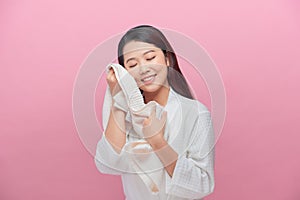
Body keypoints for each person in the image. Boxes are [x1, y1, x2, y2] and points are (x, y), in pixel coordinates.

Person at [94, 25, 215, 200]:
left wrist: (157, 141)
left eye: (150, 58)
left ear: (167, 59)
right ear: (125, 73)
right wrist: (118, 101)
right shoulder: (124, 115)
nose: (143, 69)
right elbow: (107, 164)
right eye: (133, 64)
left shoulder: (196, 114)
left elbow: (202, 184)